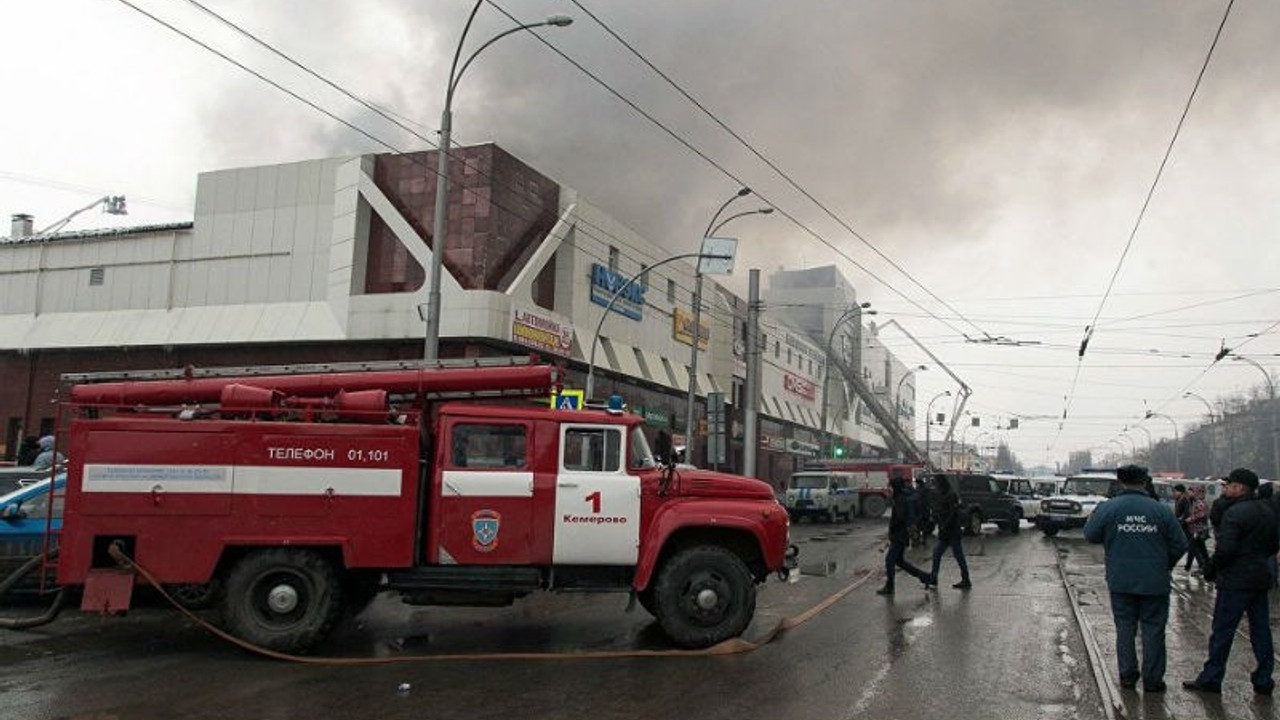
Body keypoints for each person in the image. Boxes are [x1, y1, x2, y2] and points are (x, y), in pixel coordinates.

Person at [1084, 464, 1187, 693]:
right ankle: (1153, 680)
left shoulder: (1109, 507)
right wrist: (1164, 564)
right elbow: (1180, 543)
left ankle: (1128, 676)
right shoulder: (1160, 510)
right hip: (1155, 580)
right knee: (1153, 630)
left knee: (1124, 628)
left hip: (1121, 580)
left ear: (1120, 482)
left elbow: (1090, 535)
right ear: (1145, 482)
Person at [1184, 468, 1279, 696]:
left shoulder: (1234, 513)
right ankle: (1264, 679)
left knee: (1223, 631)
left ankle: (1211, 678)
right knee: (1260, 630)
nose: (1225, 489)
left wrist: (1211, 568)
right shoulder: (1267, 510)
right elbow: (1274, 545)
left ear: (1239, 488)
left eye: (1228, 485)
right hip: (1260, 578)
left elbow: (1225, 549)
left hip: (1235, 581)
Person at [876, 476, 933, 596]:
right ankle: (924, 577)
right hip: (900, 535)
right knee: (900, 561)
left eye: (890, 487)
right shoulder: (901, 497)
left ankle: (890, 586)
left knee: (890, 560)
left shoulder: (900, 499)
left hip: (899, 536)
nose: (889, 489)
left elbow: (901, 518)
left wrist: (893, 532)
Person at [928, 474, 972, 589]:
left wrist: (944, 524)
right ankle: (933, 579)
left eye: (936, 482)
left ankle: (966, 579)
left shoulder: (950, 495)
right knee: (937, 554)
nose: (935, 485)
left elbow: (953, 512)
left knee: (958, 556)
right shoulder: (940, 494)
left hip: (952, 531)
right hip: (945, 531)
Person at [1182, 485, 1211, 573]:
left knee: (1192, 547)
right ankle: (1207, 565)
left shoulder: (1200, 503)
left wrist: (1188, 520)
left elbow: (1200, 515)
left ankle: (1189, 566)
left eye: (1193, 492)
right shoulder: (1195, 501)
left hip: (1198, 530)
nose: (1191, 493)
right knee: (1201, 549)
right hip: (1196, 529)